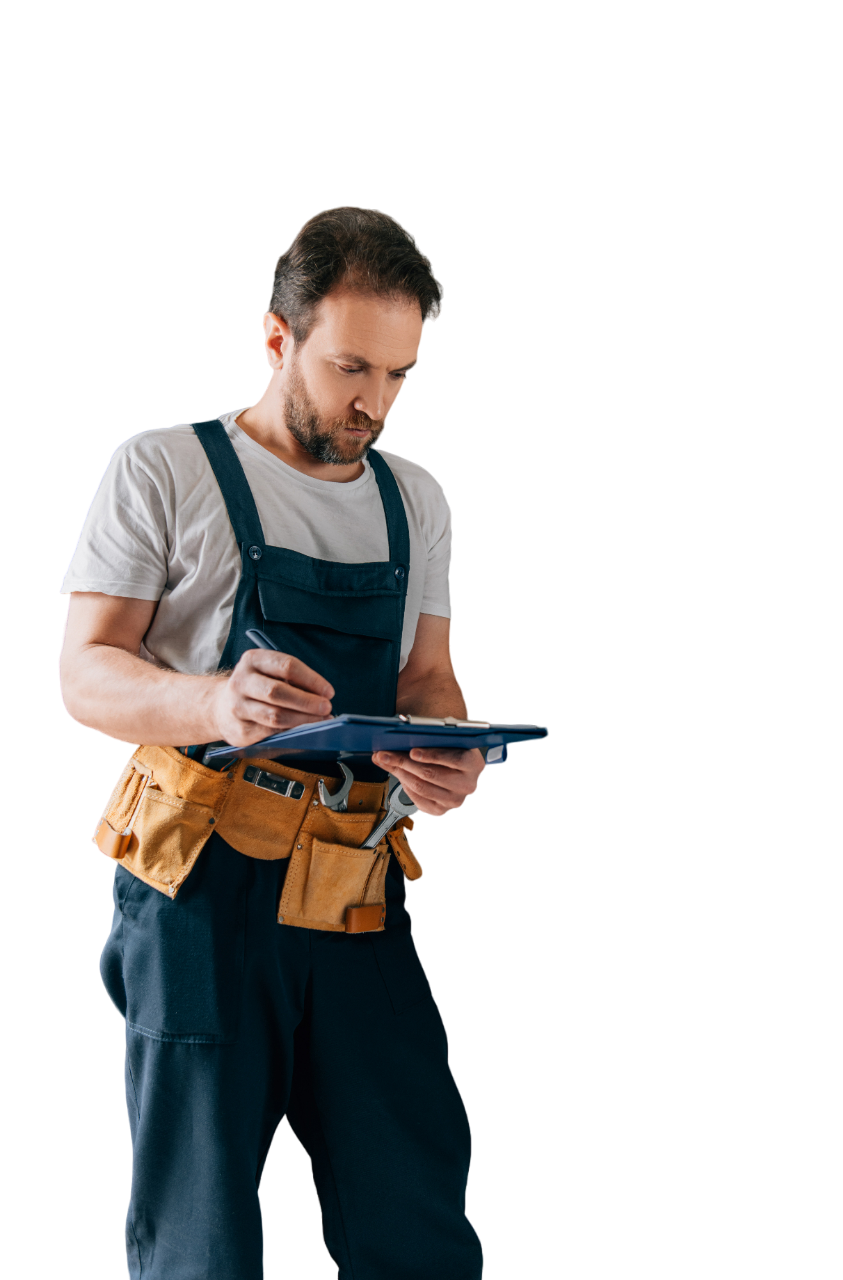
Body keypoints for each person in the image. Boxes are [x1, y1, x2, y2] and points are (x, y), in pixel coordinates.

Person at [59, 207, 486, 1279]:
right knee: (200, 1223)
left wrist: (448, 754)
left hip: (351, 874)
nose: (372, 402)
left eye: (397, 374)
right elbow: (84, 672)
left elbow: (425, 678)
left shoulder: (414, 497)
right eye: (351, 367)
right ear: (276, 339)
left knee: (413, 1196)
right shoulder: (161, 468)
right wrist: (214, 706)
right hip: (197, 881)